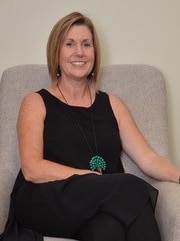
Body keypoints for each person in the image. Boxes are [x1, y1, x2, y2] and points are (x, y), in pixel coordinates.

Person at [1, 11, 180, 241]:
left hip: (95, 207)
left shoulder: (113, 104)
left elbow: (148, 159)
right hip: (47, 200)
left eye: (86, 44)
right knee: (132, 187)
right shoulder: (35, 102)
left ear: (95, 53)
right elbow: (32, 168)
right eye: (69, 44)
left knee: (109, 230)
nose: (79, 52)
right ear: (56, 52)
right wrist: (87, 176)